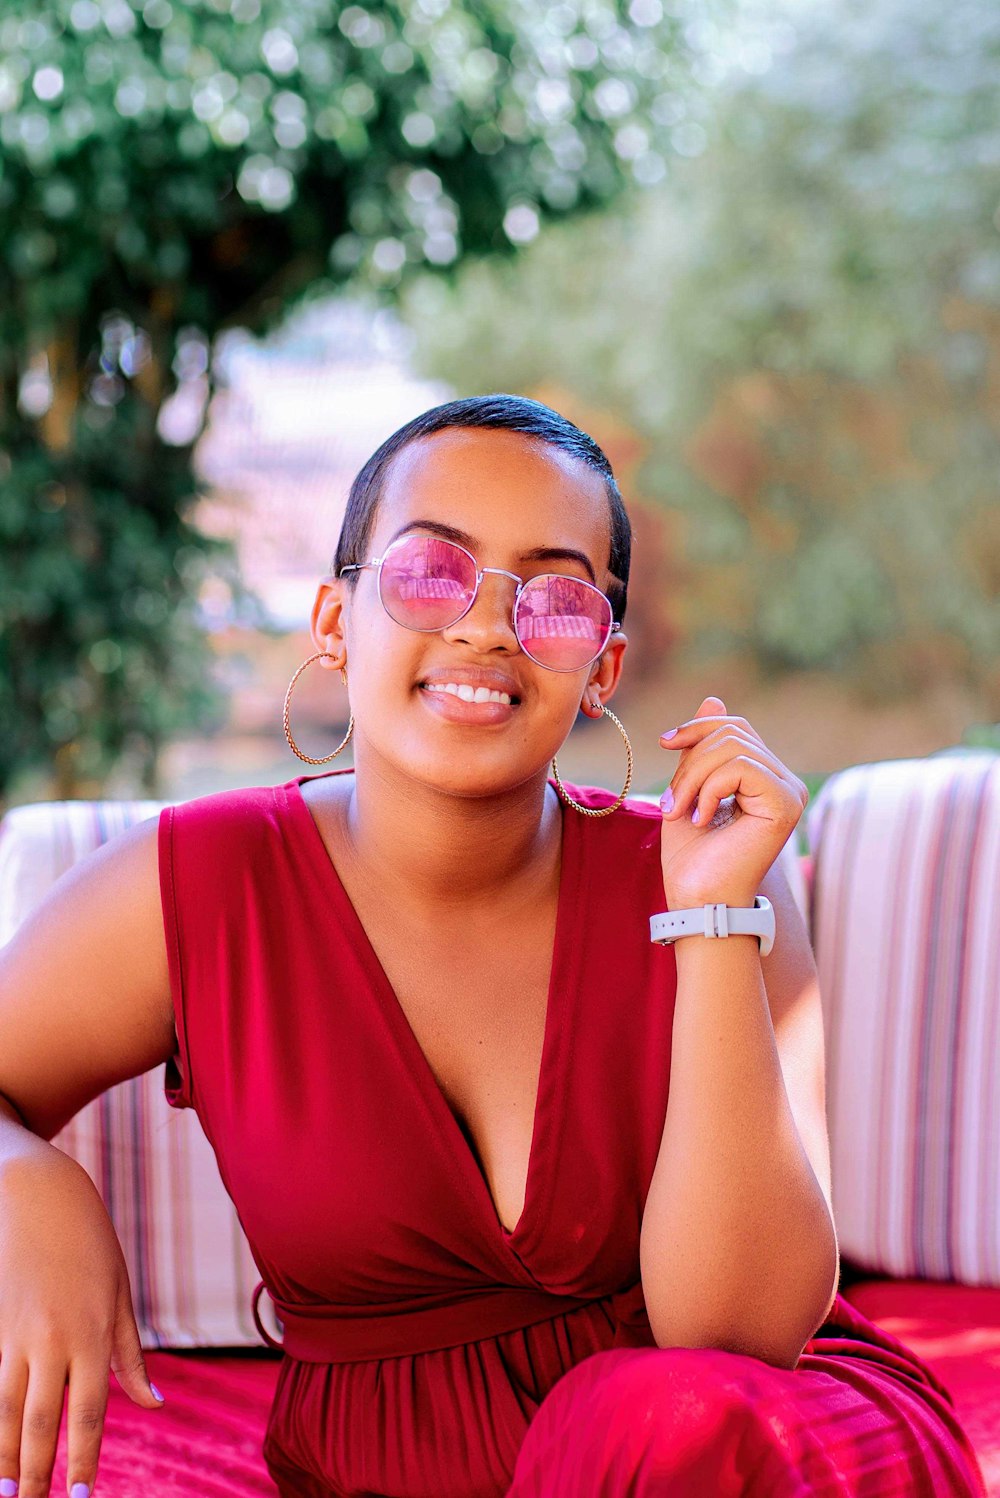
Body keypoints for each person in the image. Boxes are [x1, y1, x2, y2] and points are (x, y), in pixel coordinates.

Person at [0, 393, 987, 1498]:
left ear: (601, 668)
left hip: (737, 1446)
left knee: (653, 1418)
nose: (485, 625)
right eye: (431, 572)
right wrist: (29, 1187)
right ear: (335, 620)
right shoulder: (197, 883)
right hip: (386, 1468)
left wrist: (707, 917)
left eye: (556, 596)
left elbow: (740, 1329)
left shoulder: (714, 875)